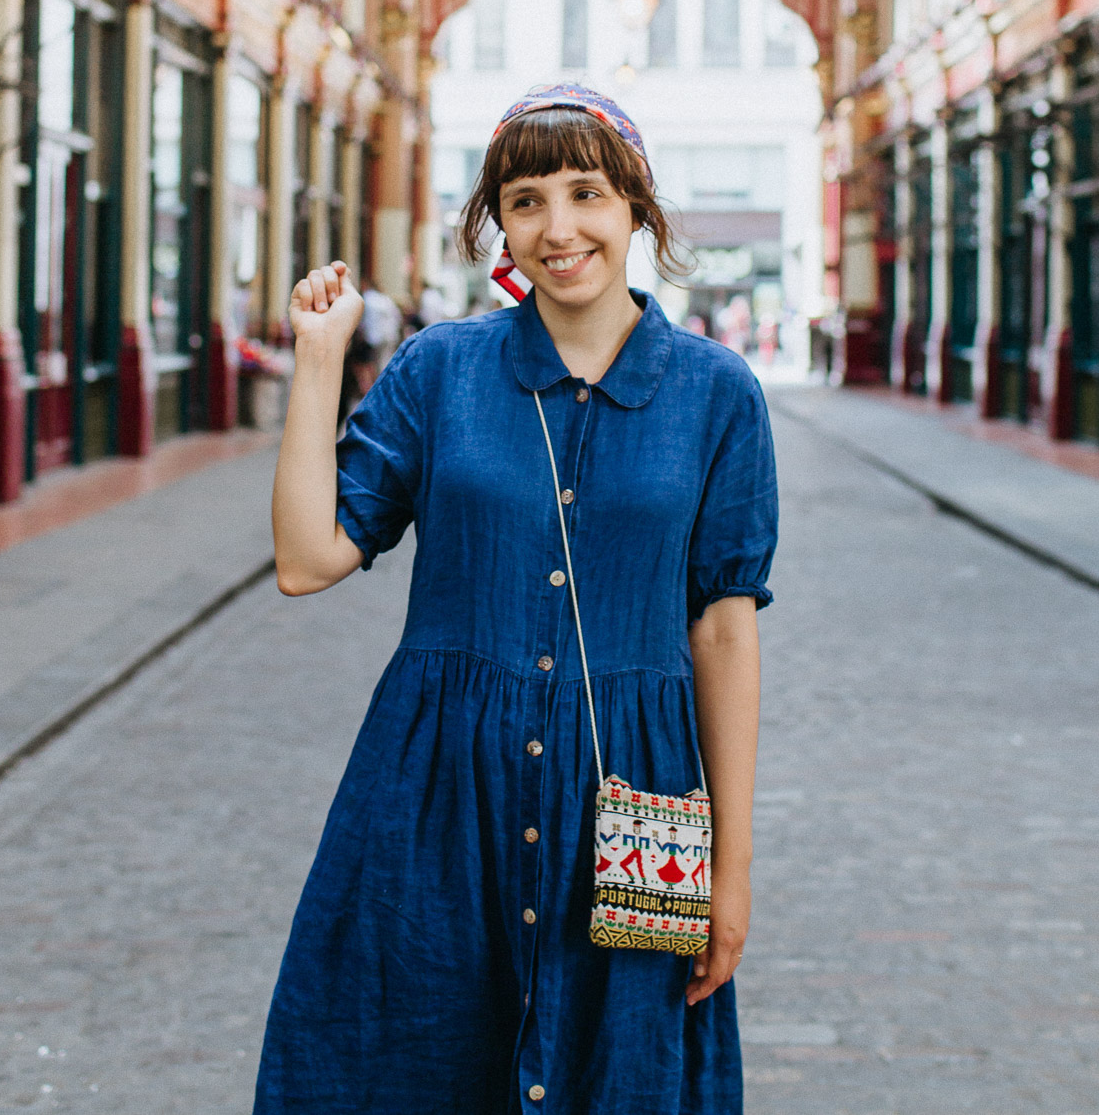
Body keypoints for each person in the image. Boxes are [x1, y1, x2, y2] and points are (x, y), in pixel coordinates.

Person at [257, 83, 778, 1115]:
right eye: (526, 199)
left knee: (625, 1075)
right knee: (407, 1061)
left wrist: (731, 861)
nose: (558, 226)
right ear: (499, 222)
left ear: (637, 207)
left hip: (642, 795)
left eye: (587, 191)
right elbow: (306, 558)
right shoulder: (439, 370)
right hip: (433, 789)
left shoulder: (717, 393)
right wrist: (319, 364)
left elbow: (721, 628)